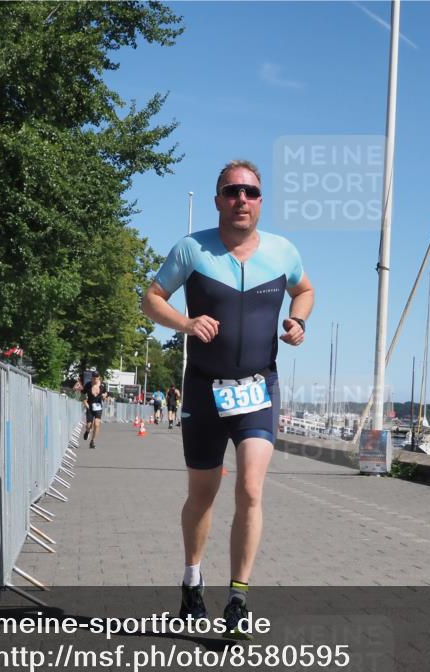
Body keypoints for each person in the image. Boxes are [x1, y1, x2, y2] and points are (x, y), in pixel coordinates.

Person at [141, 159, 314, 638]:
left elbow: (305, 289)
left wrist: (299, 321)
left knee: (252, 489)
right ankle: (192, 581)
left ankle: (238, 595)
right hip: (203, 387)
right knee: (203, 494)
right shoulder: (192, 249)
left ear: (261, 202)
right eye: (233, 191)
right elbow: (151, 298)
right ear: (218, 199)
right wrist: (186, 323)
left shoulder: (282, 251)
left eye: (252, 193)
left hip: (259, 388)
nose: (242, 199)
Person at [83, 372, 108, 449]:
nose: (95, 380)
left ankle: (92, 441)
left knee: (97, 424)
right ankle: (87, 431)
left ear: (99, 377)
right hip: (90, 406)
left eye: (97, 378)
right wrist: (85, 403)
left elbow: (106, 393)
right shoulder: (88, 385)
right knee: (89, 425)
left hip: (98, 406)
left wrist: (105, 396)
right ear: (92, 377)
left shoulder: (102, 385)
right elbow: (83, 395)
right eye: (94, 378)